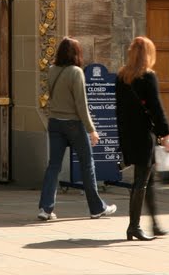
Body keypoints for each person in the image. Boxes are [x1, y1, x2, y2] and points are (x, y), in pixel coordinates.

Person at [38, 37, 117, 221]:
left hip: (55, 122)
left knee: (54, 166)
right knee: (87, 163)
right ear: (76, 53)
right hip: (73, 123)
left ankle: (45, 208)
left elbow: (50, 94)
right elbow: (81, 104)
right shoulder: (76, 72)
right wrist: (92, 130)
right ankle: (96, 208)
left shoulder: (52, 70)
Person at [116, 35, 169, 241]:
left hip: (129, 135)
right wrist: (166, 134)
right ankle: (134, 226)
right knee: (141, 181)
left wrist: (122, 138)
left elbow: (119, 111)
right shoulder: (148, 77)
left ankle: (154, 224)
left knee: (146, 180)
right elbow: (156, 109)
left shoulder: (122, 76)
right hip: (144, 136)